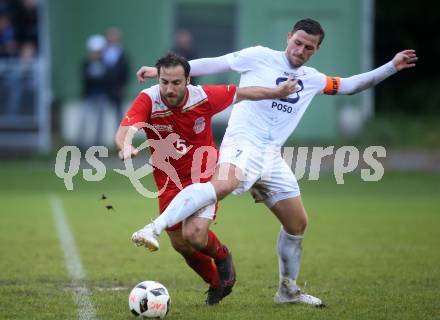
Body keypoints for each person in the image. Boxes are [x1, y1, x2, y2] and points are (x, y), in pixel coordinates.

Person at [133, 18, 418, 307]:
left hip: (271, 156)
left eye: (309, 47)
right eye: (298, 42)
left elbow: (351, 86)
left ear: (316, 49)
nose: (301, 50)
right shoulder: (259, 57)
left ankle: (288, 291)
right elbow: (213, 63)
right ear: (289, 36)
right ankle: (153, 227)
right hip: (242, 143)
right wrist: (161, 72)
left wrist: (391, 66)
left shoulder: (313, 79)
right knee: (223, 184)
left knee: (297, 224)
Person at [115, 53, 297, 305]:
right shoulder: (149, 98)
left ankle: (223, 258)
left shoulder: (203, 96)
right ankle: (216, 282)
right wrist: (125, 145)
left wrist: (276, 92)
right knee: (181, 245)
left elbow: (242, 92)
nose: (169, 89)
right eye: (164, 82)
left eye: (176, 83)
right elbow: (127, 128)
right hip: (168, 179)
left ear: (188, 80)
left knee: (195, 235)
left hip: (204, 174)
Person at [103, 27, 129, 122]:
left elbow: (125, 70)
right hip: (104, 87)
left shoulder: (122, 52)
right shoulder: (102, 52)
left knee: (118, 112)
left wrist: (123, 85)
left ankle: (119, 134)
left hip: (117, 87)